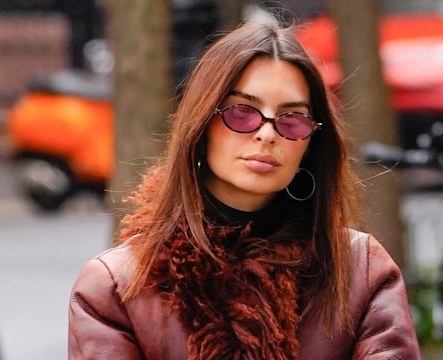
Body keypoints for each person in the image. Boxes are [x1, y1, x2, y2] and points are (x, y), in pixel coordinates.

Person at [68, 18, 421, 359]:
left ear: (310, 143)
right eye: (242, 112)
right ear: (203, 123)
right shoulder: (116, 287)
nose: (267, 133)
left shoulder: (361, 271)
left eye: (292, 119)